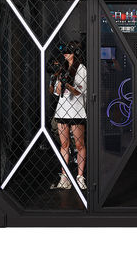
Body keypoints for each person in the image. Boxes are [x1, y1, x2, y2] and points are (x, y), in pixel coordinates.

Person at [49, 42, 87, 190]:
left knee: (79, 145)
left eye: (69, 51)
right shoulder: (61, 68)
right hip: (62, 111)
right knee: (64, 145)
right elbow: (56, 92)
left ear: (75, 53)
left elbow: (79, 92)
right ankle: (65, 177)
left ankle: (80, 177)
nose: (65, 53)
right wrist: (59, 83)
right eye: (64, 51)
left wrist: (68, 85)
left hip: (77, 111)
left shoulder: (81, 69)